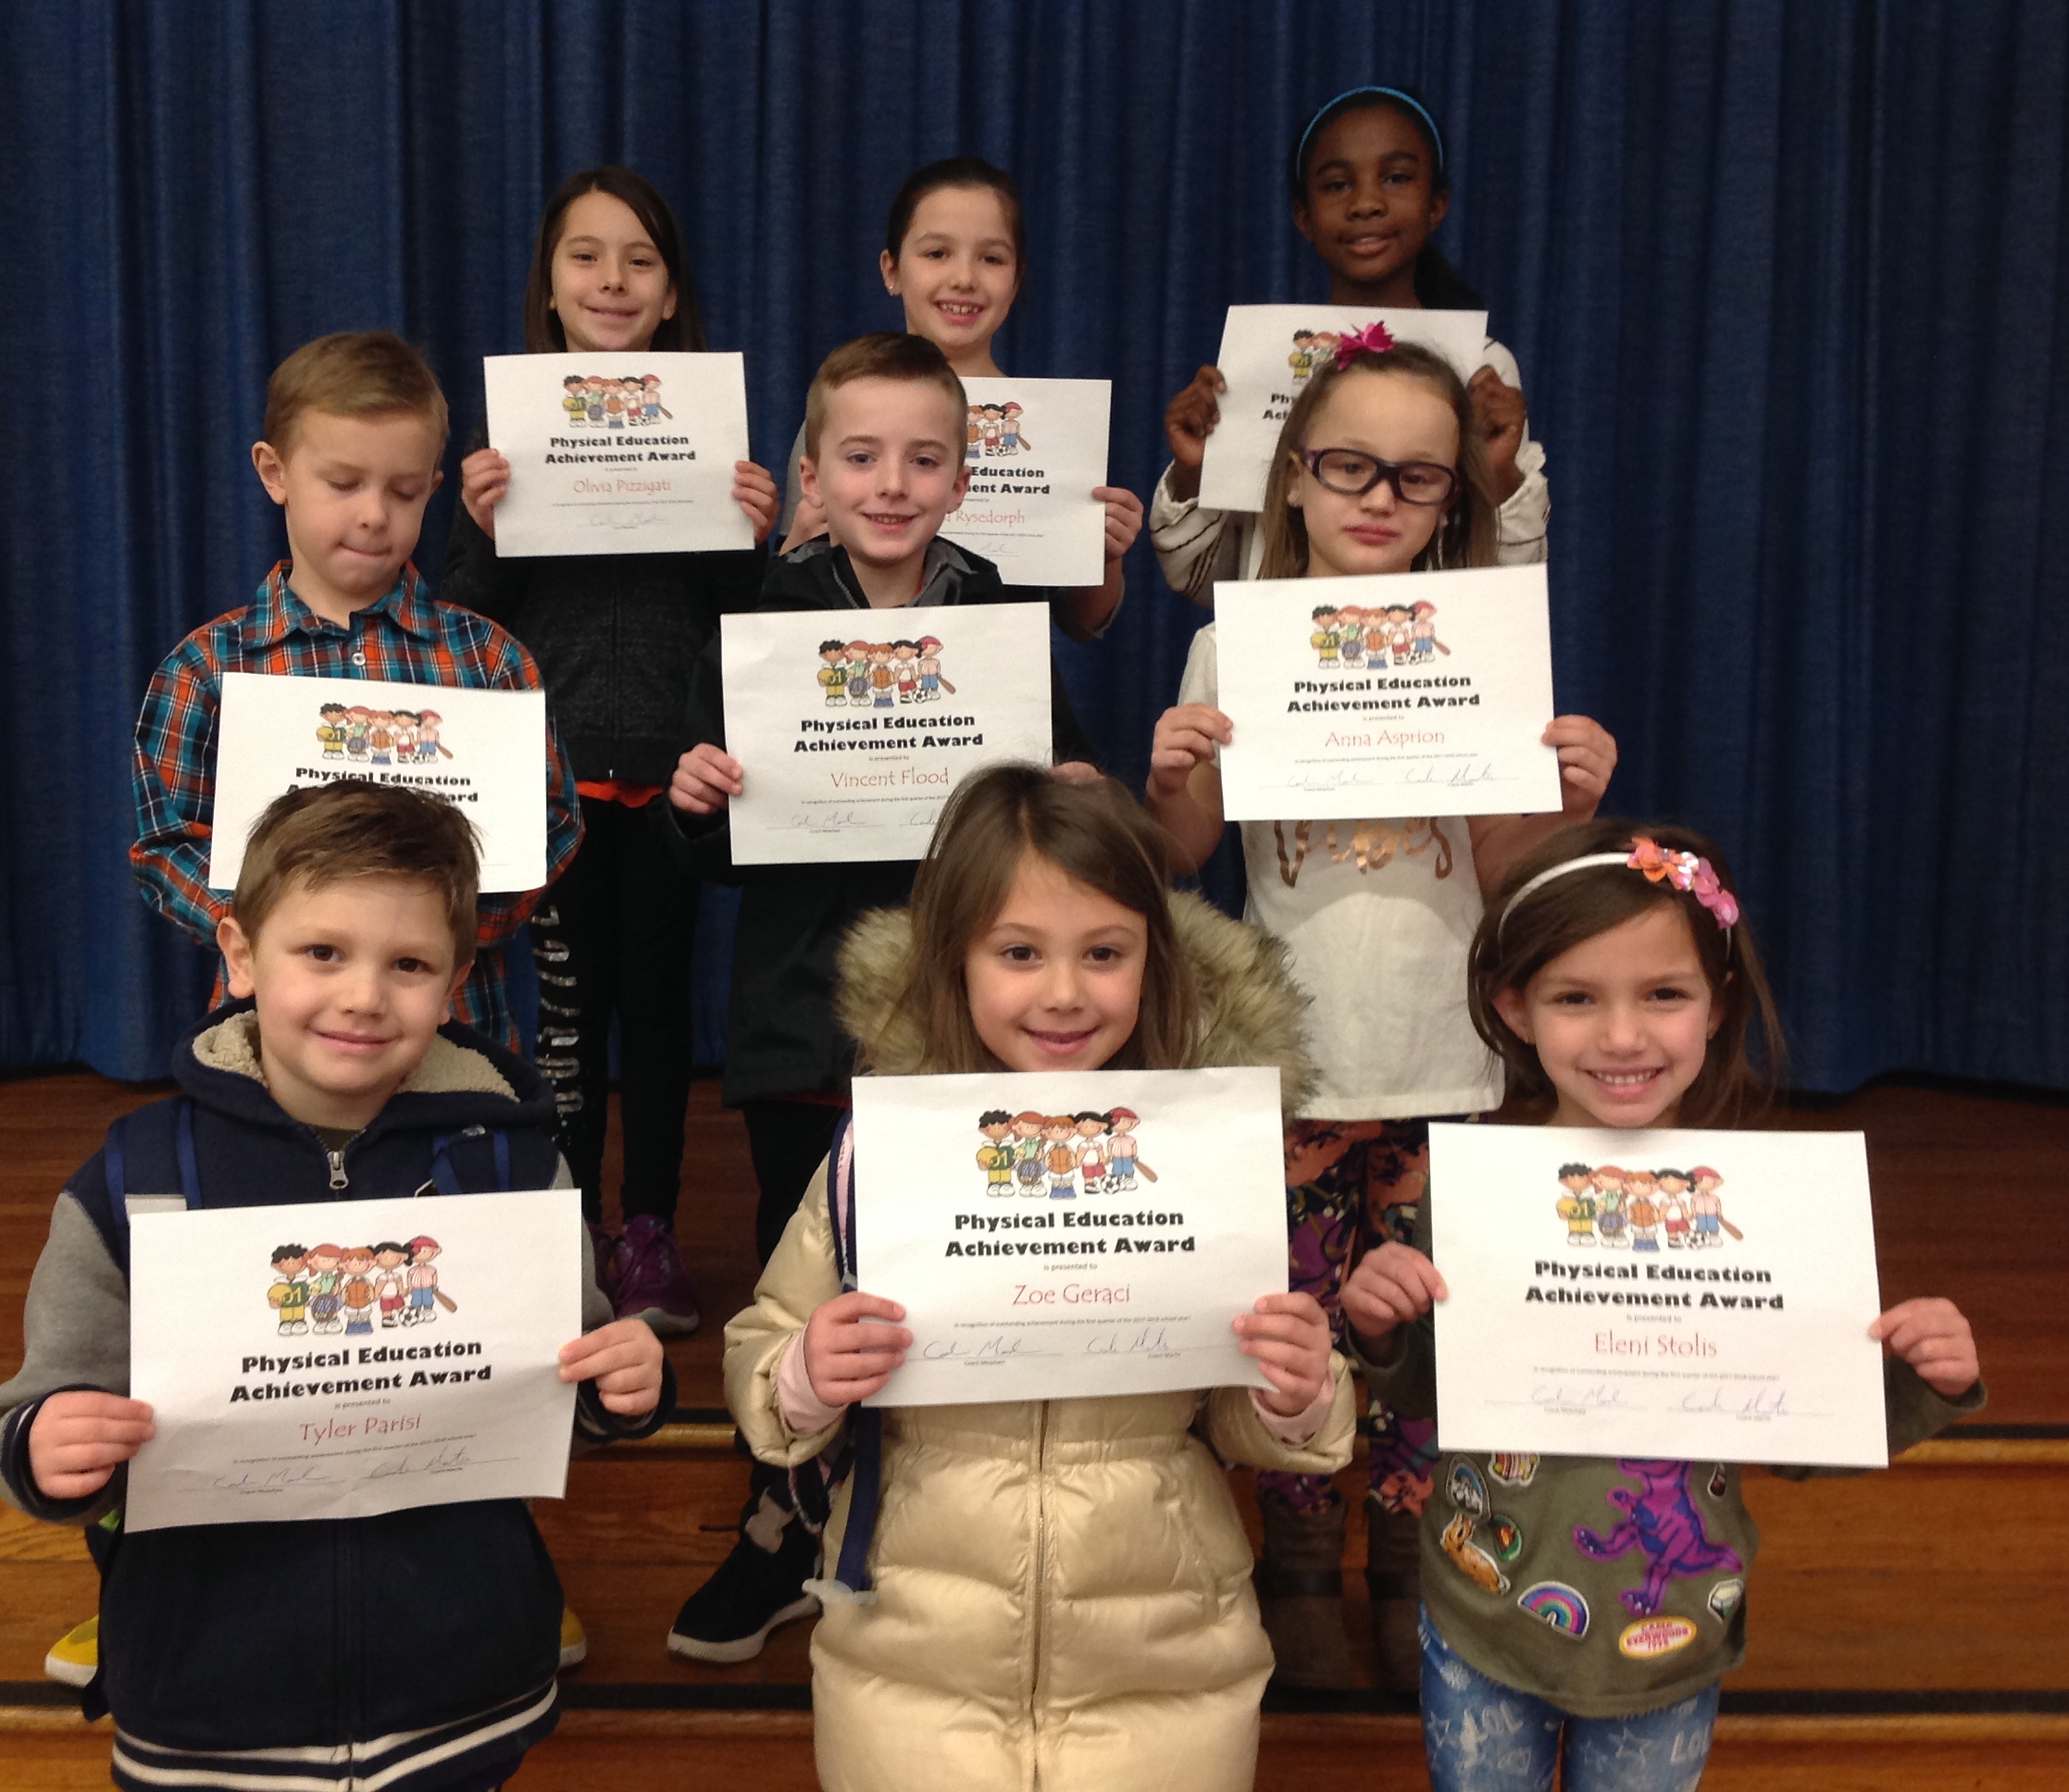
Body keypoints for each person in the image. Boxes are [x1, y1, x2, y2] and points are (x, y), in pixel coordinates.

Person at [0, 780, 671, 1791]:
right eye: (322, 952)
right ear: (236, 954)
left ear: (455, 985)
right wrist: (44, 1444)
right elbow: (41, 1403)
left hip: (461, 1683)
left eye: (408, 964)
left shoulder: (515, 1167)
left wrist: (622, 1384)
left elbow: (566, 1383)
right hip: (209, 1700)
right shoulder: (137, 1178)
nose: (363, 995)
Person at [726, 765, 1354, 1791]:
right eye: (1019, 952)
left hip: (1165, 1668)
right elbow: (762, 1354)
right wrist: (802, 1370)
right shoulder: (873, 1158)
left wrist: (1296, 1393)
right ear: (954, 961)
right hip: (911, 1671)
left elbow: (1238, 1416)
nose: (1064, 991)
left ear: (1154, 961)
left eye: (1104, 953)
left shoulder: (1206, 1161)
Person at [1144, 338, 1617, 1689]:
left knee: (1423, 1325)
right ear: (1292, 478)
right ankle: (1298, 1564)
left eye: (1417, 478)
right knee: (1297, 1326)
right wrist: (1175, 773)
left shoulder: (1481, 647)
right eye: (1348, 465)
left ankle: (1413, 1562)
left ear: (1452, 504)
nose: (1378, 497)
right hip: (1291, 1070)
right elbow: (1179, 857)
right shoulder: (1225, 644)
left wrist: (1570, 801)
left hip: (1445, 1067)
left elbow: (1518, 868)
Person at [1343, 820, 1984, 1789]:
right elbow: (1443, 1386)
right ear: (1516, 1008)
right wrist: (1383, 1326)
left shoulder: (1767, 1214)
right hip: (1484, 1613)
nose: (1622, 1036)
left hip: (1671, 1631)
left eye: (1664, 994)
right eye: (1575, 998)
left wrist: (1913, 1379)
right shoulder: (1481, 1193)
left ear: (1717, 1005)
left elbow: (1803, 1436)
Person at [663, 332, 1103, 1664]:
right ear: (814, 471)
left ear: (967, 476)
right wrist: (695, 806)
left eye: (925, 457)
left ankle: (926, 1511)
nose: (893, 482)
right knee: (812, 1278)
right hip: (808, 1019)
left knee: (955, 1272)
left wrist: (1074, 798)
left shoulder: (998, 622)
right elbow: (716, 845)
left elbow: (1056, 810)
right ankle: (780, 1520)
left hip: (970, 1027)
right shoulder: (762, 616)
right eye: (862, 456)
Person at [443, 168, 779, 1335]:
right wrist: (482, 528)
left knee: (658, 1016)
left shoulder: (707, 439)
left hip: (673, 785)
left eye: (638, 258)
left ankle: (650, 1232)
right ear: (550, 284)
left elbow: (747, 623)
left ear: (672, 288)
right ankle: (573, 1227)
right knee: (571, 1022)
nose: (612, 280)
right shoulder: (515, 447)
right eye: (586, 257)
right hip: (557, 785)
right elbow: (463, 623)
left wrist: (754, 537)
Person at [131, 330, 582, 1053]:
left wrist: (439, 931)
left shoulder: (491, 662)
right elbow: (166, 845)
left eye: (403, 492)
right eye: (343, 484)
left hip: (453, 1033)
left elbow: (552, 824)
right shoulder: (207, 669)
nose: (375, 514)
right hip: (272, 1038)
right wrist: (280, 934)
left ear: (433, 490)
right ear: (275, 472)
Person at [1153, 84, 1552, 602]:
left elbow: (1509, 594)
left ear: (1437, 204)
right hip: (1278, 665)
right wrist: (1194, 472)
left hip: (1425, 672)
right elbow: (1202, 582)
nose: (1366, 203)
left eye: (1397, 178)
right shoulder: (1261, 363)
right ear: (1304, 216)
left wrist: (1499, 474)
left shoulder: (1480, 368)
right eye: (1338, 185)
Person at [777, 156, 1142, 638]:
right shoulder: (837, 418)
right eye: (937, 254)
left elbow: (1083, 622)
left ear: (1016, 280)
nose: (965, 278)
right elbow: (782, 609)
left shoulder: (1052, 431)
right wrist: (801, 543)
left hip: (1001, 691)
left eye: (991, 258)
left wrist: (1106, 554)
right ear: (891, 269)